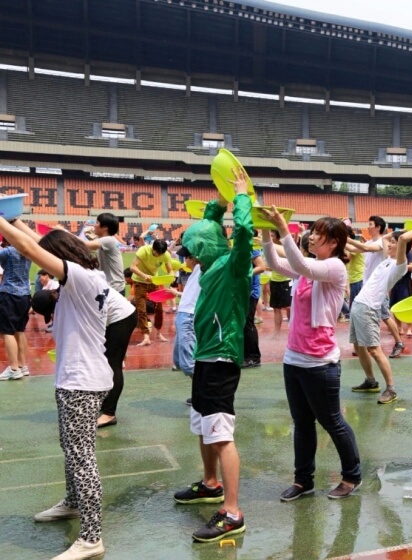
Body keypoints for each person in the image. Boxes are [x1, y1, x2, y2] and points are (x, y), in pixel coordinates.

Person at [0, 220, 112, 560]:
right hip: (76, 378)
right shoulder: (89, 276)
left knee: (82, 459)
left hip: (82, 381)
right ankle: (73, 502)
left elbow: (32, 248)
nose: (44, 271)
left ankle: (92, 538)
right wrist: (15, 220)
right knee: (71, 447)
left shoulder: (78, 278)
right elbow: (38, 243)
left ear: (61, 257)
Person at [259, 209, 363, 502]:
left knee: (332, 421)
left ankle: (352, 475)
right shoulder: (310, 265)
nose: (313, 236)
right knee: (302, 424)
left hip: (320, 362)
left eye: (319, 233)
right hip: (294, 359)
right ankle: (303, 480)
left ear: (334, 243)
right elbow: (276, 263)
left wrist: (282, 227)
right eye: (313, 231)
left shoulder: (334, 268)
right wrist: (266, 232)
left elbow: (299, 265)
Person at [172, 169, 252, 542]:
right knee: (203, 422)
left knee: (221, 433)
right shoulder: (208, 263)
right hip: (206, 356)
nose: (186, 259)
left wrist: (241, 197)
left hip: (221, 356)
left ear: (202, 251)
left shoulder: (233, 266)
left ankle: (232, 511)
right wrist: (220, 199)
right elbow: (208, 225)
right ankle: (210, 483)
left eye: (190, 252)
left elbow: (244, 237)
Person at [347, 223, 412, 404]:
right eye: (390, 242)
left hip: (369, 307)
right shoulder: (386, 260)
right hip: (359, 305)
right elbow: (384, 239)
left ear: (401, 246)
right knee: (359, 346)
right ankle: (370, 381)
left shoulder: (398, 265)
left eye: (394, 243)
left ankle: (391, 389)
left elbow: (404, 239)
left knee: (374, 350)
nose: (389, 244)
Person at [354, 216, 406, 358]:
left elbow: (364, 247)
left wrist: (343, 238)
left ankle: (398, 342)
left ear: (378, 227)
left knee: (384, 315)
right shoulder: (371, 241)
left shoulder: (381, 243)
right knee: (379, 316)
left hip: (378, 289)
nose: (368, 226)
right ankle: (365, 343)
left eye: (370, 224)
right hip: (369, 287)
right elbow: (357, 249)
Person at [130, 238, 173, 346]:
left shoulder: (165, 254)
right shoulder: (143, 251)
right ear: (153, 248)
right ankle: (146, 336)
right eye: (156, 253)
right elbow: (132, 267)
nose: (159, 256)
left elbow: (170, 270)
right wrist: (144, 276)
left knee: (159, 308)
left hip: (154, 282)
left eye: (161, 254)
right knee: (141, 309)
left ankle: (158, 332)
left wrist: (171, 276)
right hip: (140, 281)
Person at [169, 246, 202, 386]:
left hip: (188, 316)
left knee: (188, 363)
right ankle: (202, 392)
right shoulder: (195, 270)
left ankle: (205, 393)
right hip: (183, 315)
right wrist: (177, 294)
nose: (184, 260)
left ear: (193, 258)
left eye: (186, 257)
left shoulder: (202, 269)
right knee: (178, 360)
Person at [0, 237, 31, 380]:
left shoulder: (7, 251)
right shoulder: (28, 251)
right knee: (20, 330)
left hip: (9, 293)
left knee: (6, 332)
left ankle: (13, 368)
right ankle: (22, 365)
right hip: (25, 294)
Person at [84, 213, 125, 295]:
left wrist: (63, 232)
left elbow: (84, 245)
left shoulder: (108, 240)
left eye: (97, 223)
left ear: (105, 227)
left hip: (114, 289)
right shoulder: (105, 239)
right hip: (110, 287)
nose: (94, 225)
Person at [242, 240, 266, 368]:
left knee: (247, 323)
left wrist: (244, 275)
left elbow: (261, 267)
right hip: (240, 292)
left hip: (250, 292)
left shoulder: (251, 247)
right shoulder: (236, 245)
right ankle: (244, 354)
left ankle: (253, 357)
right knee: (242, 323)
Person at [267, 229, 293, 331]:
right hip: (274, 281)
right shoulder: (269, 249)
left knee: (288, 307)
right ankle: (277, 332)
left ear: (278, 237)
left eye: (272, 236)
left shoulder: (283, 249)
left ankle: (292, 329)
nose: (270, 238)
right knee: (276, 308)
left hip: (285, 281)